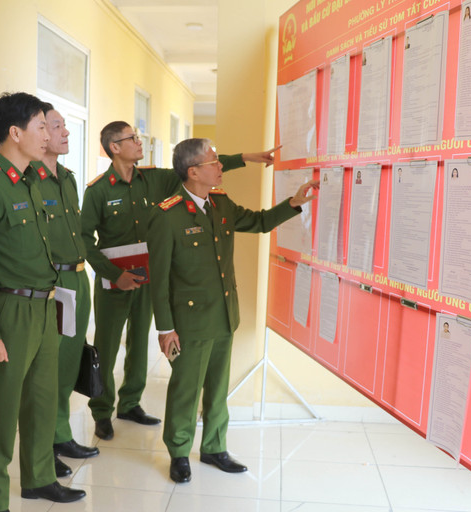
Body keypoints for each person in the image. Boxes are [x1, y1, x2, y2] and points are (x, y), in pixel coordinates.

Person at [81, 121, 280, 441]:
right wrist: (115, 275)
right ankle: (102, 411)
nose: (139, 140)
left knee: (138, 345)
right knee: (106, 348)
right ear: (114, 147)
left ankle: (130, 402)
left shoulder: (153, 178)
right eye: (132, 138)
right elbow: (84, 240)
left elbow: (195, 166)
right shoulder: (98, 190)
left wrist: (247, 157)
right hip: (114, 284)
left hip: (146, 278)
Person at [147, 138, 318, 483]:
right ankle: (179, 452)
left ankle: (214, 447)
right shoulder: (167, 215)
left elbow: (258, 222)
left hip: (224, 313)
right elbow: (159, 278)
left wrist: (294, 203)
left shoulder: (220, 204)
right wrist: (165, 329)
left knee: (217, 386)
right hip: (189, 321)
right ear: (193, 171)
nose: (220, 166)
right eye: (214, 161)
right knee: (185, 389)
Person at [0, 92, 85, 512]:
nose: (47, 135)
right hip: (8, 309)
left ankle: (38, 479)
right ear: (15, 133)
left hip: (44, 304)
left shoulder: (33, 181)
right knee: (0, 410)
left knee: (41, 398)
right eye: (39, 127)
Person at [32, 106, 100, 473]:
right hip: (53, 283)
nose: (65, 133)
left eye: (64, 126)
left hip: (78, 278)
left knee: (69, 361)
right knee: (48, 367)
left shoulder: (69, 178)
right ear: (40, 132)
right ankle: (42, 446)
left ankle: (60, 434)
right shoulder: (32, 179)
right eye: (56, 126)